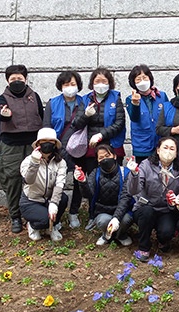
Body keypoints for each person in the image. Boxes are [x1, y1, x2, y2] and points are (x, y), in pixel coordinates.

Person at [73, 67, 126, 230]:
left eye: (104, 81)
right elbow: (76, 124)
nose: (101, 84)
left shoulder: (116, 98)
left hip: (112, 146)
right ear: (91, 83)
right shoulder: (85, 100)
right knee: (93, 182)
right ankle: (92, 216)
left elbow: (119, 123)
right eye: (97, 81)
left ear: (109, 83)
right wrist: (86, 115)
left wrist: (101, 135)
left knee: (114, 183)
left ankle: (117, 215)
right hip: (91, 149)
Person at [0, 64, 44, 234]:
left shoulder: (34, 96)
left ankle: (34, 215)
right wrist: (4, 115)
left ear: (25, 79)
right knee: (13, 181)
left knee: (35, 179)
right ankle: (15, 216)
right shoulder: (2, 98)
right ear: (7, 81)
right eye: (13, 79)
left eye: (20, 79)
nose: (17, 81)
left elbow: (41, 115)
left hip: (32, 144)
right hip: (11, 144)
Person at [127, 137, 179, 262]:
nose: (168, 151)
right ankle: (144, 246)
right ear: (158, 150)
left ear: (176, 154)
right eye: (165, 147)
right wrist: (134, 174)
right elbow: (133, 190)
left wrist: (176, 200)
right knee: (147, 212)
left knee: (166, 231)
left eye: (172, 149)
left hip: (166, 209)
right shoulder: (146, 165)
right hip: (146, 208)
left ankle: (163, 241)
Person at [43, 71, 87, 229]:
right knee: (55, 181)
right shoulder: (52, 103)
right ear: (60, 86)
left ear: (78, 86)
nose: (70, 87)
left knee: (78, 181)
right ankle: (57, 213)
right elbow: (46, 126)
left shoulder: (84, 102)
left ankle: (74, 212)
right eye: (66, 84)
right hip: (58, 149)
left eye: (73, 84)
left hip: (79, 149)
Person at [74, 144, 134, 247]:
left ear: (114, 156)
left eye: (107, 155)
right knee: (103, 221)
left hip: (122, 210)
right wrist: (82, 182)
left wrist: (116, 218)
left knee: (126, 219)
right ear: (97, 160)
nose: (105, 159)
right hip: (103, 211)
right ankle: (106, 235)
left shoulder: (125, 172)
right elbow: (88, 194)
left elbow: (125, 197)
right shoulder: (95, 173)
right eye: (101, 157)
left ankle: (121, 235)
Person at [19, 128, 68, 242]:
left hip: (49, 199)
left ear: (55, 144)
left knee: (64, 198)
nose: (47, 144)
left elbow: (59, 183)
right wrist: (34, 163)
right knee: (44, 220)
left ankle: (52, 226)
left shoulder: (60, 162)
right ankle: (33, 225)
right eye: (44, 141)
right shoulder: (27, 161)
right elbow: (28, 180)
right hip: (31, 201)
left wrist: (54, 203)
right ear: (38, 144)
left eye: (51, 141)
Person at [126, 64, 169, 164]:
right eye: (138, 79)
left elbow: (167, 117)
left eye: (144, 78)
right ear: (133, 82)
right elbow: (134, 118)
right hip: (142, 144)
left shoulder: (161, 96)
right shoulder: (130, 99)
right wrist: (135, 104)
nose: (142, 81)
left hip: (160, 142)